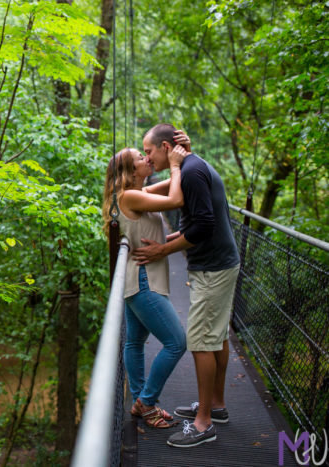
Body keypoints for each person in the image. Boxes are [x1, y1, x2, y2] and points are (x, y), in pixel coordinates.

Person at [134, 123, 240, 448]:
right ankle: (216, 406)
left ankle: (204, 423)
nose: (148, 159)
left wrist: (164, 250)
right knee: (216, 336)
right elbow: (196, 219)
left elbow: (204, 225)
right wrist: (173, 238)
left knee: (200, 342)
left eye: (149, 151)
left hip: (212, 267)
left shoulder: (190, 173)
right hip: (220, 262)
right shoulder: (194, 166)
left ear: (166, 147)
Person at [102, 133, 190, 429]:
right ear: (129, 171)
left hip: (135, 280)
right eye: (140, 157)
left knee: (136, 342)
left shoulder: (138, 193)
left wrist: (184, 156)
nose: (146, 158)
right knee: (177, 342)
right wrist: (176, 166)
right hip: (142, 281)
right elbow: (176, 198)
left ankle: (141, 401)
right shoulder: (129, 196)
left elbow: (172, 187)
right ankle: (147, 401)